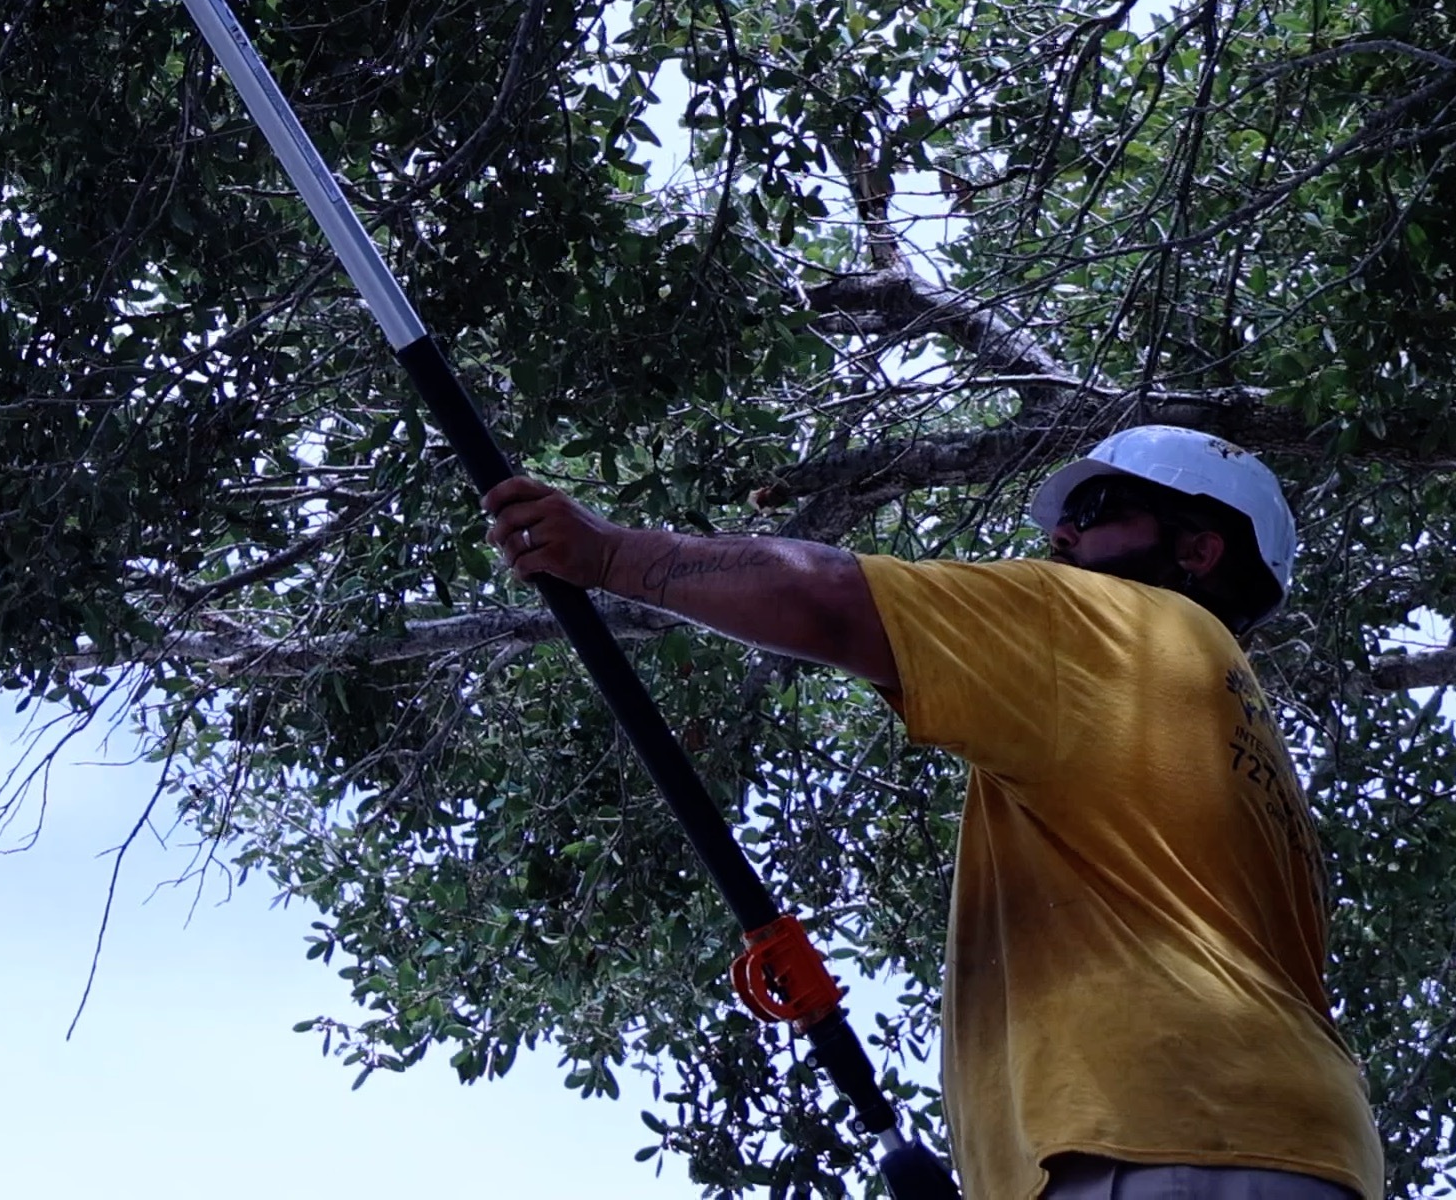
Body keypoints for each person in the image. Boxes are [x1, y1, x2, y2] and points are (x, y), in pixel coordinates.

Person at [483, 424, 1390, 1200]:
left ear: (1197, 552)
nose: (1062, 536)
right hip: (1291, 1151)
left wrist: (608, 555)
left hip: (1160, 1132)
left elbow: (827, 598)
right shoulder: (1222, 723)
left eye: (1096, 507)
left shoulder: (1121, 622)